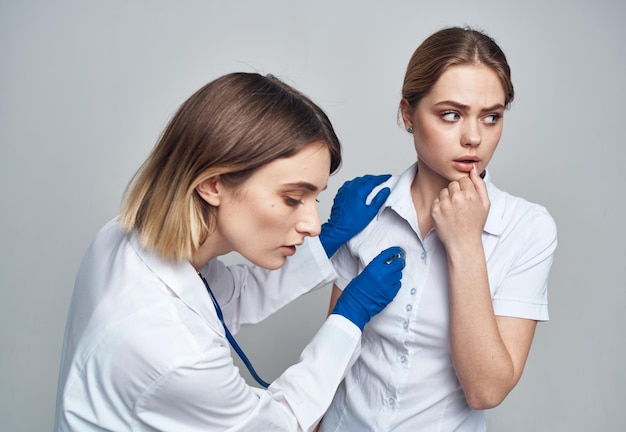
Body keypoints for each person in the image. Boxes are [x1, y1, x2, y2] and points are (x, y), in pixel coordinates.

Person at [54, 72, 407, 431]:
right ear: (212, 183)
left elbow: (226, 298)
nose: (312, 223)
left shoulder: (122, 237)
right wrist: (350, 317)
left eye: (314, 198)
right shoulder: (175, 350)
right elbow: (276, 424)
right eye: (291, 198)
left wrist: (329, 239)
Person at [318, 27, 558, 431]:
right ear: (409, 114)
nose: (474, 137)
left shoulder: (527, 228)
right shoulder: (367, 208)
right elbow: (332, 353)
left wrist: (465, 245)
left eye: (491, 117)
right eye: (451, 114)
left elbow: (486, 390)